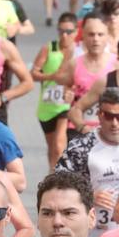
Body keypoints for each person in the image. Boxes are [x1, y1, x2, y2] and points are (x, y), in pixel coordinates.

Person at [55, 86, 119, 237]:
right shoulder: (80, 148)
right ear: (99, 115)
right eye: (108, 116)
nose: (114, 123)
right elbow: (55, 190)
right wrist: (87, 196)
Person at [32, 12, 79, 167]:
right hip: (48, 105)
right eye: (61, 31)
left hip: (66, 105)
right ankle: (52, 176)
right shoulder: (49, 48)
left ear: (76, 31)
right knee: (52, 147)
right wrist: (52, 76)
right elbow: (33, 73)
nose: (65, 35)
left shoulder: (79, 52)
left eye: (69, 31)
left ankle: (62, 176)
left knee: (59, 146)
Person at [52, 13, 115, 130]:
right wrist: (67, 92)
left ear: (107, 37)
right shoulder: (74, 63)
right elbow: (61, 82)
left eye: (100, 35)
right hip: (78, 126)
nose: (96, 39)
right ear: (84, 37)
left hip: (108, 128)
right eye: (91, 35)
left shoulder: (116, 64)